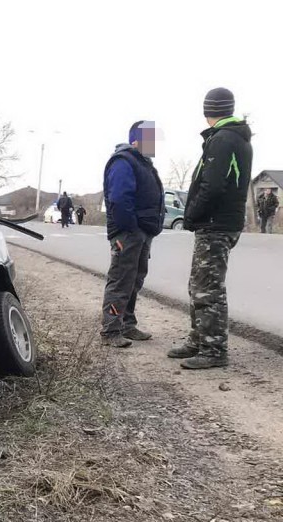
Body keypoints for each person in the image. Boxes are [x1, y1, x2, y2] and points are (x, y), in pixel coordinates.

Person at [168, 87, 252, 369]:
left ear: (208, 112)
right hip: (219, 223)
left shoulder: (224, 139)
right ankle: (198, 340)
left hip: (216, 224)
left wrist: (191, 213)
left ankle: (214, 349)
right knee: (198, 285)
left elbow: (213, 186)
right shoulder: (229, 137)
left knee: (208, 288)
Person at [100, 120, 165, 348]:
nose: (155, 144)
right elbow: (119, 199)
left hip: (142, 232)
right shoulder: (123, 161)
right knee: (121, 280)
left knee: (134, 280)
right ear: (137, 140)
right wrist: (131, 227)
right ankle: (111, 330)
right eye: (151, 139)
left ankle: (127, 324)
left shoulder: (143, 163)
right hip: (128, 233)